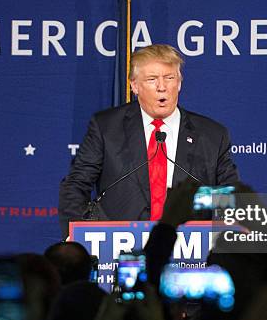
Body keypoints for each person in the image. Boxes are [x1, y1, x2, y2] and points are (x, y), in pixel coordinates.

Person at [59, 44, 239, 237]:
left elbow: (229, 195)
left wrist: (223, 239)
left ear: (179, 83)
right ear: (134, 85)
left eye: (169, 78)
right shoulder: (106, 127)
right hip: (118, 248)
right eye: (152, 79)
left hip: (191, 249)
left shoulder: (211, 134)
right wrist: (78, 234)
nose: (162, 87)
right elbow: (76, 185)